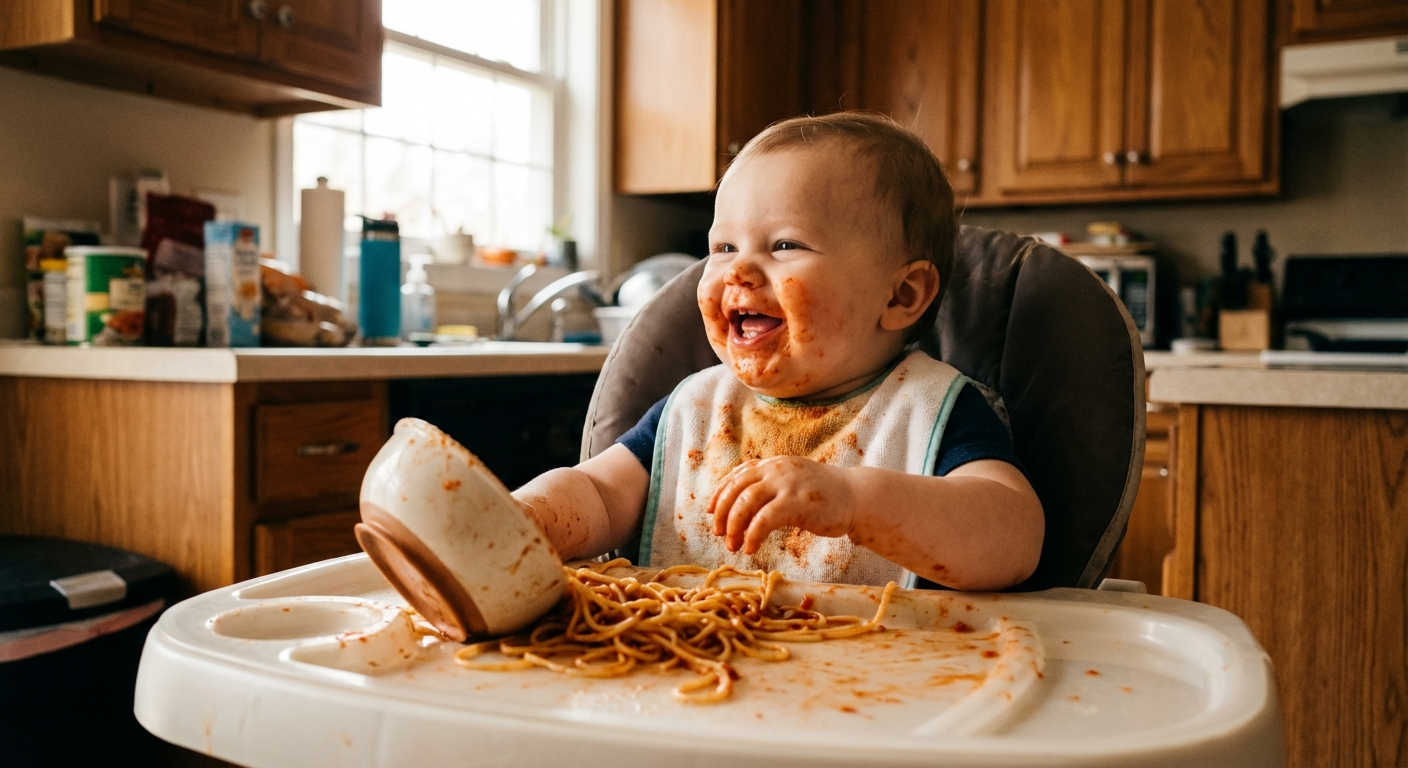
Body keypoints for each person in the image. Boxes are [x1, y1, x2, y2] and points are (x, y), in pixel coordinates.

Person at [514, 112, 1044, 592]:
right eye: (723, 247)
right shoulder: (695, 412)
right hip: (686, 669)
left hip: (871, 683)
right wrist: (526, 519)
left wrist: (855, 501)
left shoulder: (929, 412)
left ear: (901, 295)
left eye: (785, 245)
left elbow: (1014, 539)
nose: (738, 272)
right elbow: (600, 494)